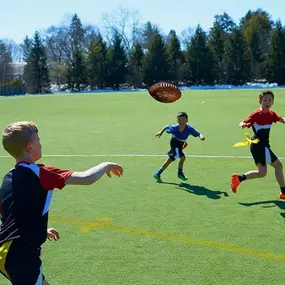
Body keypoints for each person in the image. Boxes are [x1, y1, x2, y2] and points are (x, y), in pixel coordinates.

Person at [0, 121, 123, 284]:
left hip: (4, 250)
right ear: (30, 147)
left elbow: (8, 214)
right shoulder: (41, 172)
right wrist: (105, 165)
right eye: (38, 139)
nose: (41, 143)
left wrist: (40, 230)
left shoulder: (9, 177)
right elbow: (87, 178)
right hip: (22, 254)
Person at [231, 90, 285, 199]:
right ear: (260, 101)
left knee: (262, 173)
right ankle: (283, 192)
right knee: (278, 165)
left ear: (273, 102)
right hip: (259, 146)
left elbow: (281, 119)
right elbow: (244, 121)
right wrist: (243, 124)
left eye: (270, 100)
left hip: (261, 147)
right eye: (265, 99)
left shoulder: (271, 114)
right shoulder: (256, 114)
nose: (267, 102)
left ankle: (239, 178)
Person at [154, 112, 205, 183]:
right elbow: (167, 126)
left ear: (187, 120)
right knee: (182, 157)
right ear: (177, 121)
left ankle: (157, 173)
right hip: (174, 143)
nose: (182, 121)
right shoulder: (175, 127)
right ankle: (180, 173)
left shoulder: (189, 128)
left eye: (183, 119)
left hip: (180, 144)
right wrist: (160, 132)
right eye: (180, 120)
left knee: (170, 159)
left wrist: (201, 136)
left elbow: (198, 133)